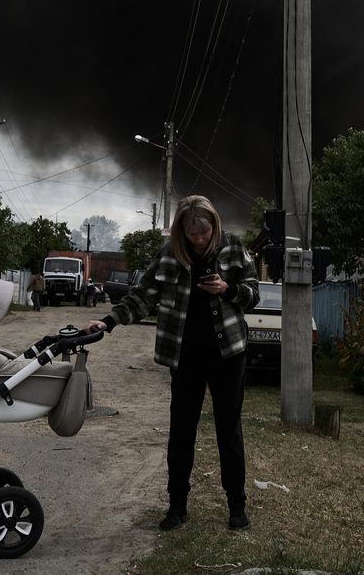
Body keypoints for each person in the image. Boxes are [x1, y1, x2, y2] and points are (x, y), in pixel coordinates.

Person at [86, 195, 260, 531]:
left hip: (229, 355)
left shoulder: (233, 247)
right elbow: (142, 296)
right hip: (185, 357)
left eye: (204, 234)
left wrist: (227, 288)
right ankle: (176, 506)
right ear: (182, 231)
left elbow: (253, 294)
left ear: (214, 227)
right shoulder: (169, 255)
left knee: (228, 430)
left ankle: (237, 507)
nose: (199, 240)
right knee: (181, 432)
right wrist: (108, 322)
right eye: (192, 234)